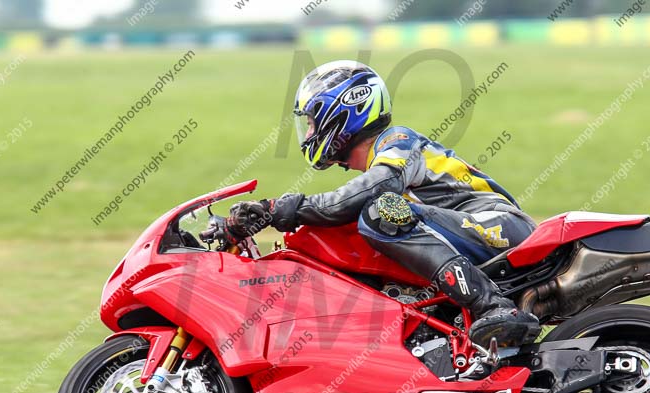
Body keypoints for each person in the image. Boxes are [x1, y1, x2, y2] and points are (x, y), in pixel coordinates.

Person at [225, 61, 540, 347]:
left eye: (311, 122)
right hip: (472, 231)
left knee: (381, 213)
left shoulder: (397, 141)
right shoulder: (383, 156)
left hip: (500, 225)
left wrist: (277, 209)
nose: (308, 134)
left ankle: (494, 307)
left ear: (342, 113)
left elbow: (360, 195)